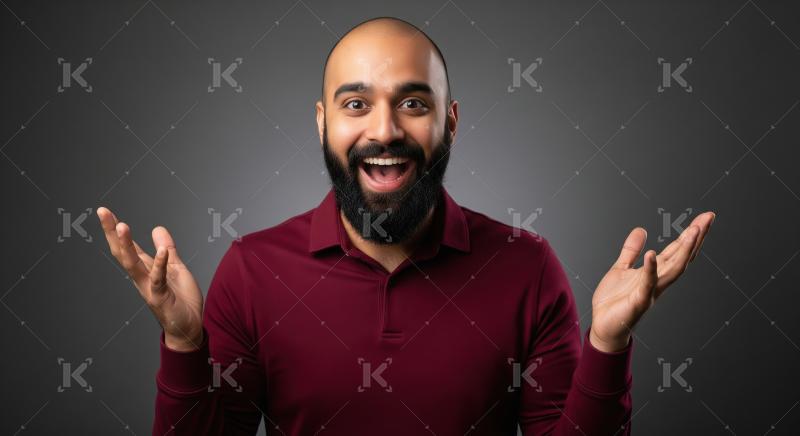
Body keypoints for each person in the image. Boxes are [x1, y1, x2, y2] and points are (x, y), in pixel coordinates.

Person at [96, 16, 715, 435]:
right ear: (322, 123)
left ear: (450, 121)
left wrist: (607, 346)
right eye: (356, 104)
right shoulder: (252, 271)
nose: (386, 129)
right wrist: (183, 344)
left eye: (413, 104)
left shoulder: (528, 266)